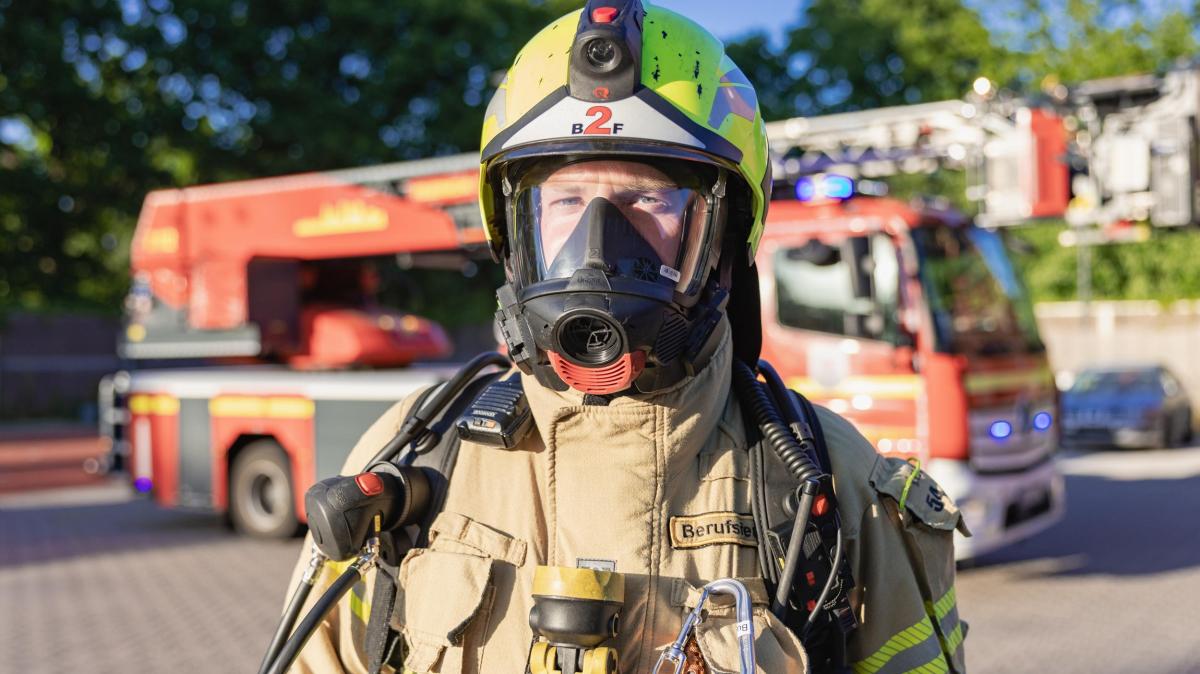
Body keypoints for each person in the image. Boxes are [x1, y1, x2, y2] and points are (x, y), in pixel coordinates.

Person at [282, 2, 968, 673]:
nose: (599, 250)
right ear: (515, 235)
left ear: (725, 242)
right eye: (568, 203)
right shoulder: (415, 454)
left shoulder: (833, 485)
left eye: (648, 202)